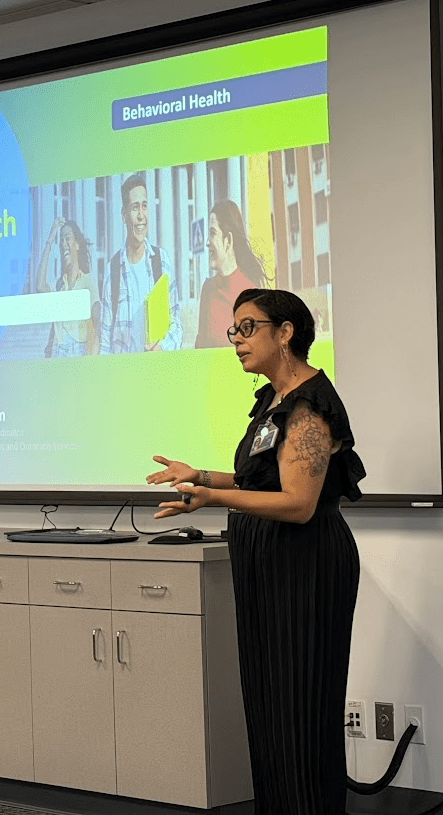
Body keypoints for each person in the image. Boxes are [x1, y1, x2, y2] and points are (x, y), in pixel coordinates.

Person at [147, 288, 365, 815]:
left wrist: (212, 496)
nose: (237, 341)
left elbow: (297, 503)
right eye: (233, 331)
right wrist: (199, 476)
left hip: (304, 568)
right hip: (268, 567)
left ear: (285, 332)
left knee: (299, 709)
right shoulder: (272, 401)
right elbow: (259, 477)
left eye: (248, 328)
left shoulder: (309, 406)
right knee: (269, 707)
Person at [100, 173, 182, 353]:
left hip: (155, 375)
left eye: (144, 206)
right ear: (124, 214)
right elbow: (105, 341)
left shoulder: (161, 262)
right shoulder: (112, 270)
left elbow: (177, 325)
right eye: (135, 207)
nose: (141, 215)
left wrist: (162, 347)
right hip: (123, 377)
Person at [195, 199, 267, 349]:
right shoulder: (208, 289)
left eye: (213, 233)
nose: (207, 242)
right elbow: (199, 350)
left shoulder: (253, 295)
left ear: (228, 240)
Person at [35, 217, 100, 356]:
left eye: (67, 238)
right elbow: (40, 286)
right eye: (61, 240)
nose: (63, 243)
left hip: (77, 352)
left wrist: (93, 359)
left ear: (77, 244)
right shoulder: (60, 285)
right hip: (57, 352)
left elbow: (98, 320)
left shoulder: (86, 282)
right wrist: (51, 238)